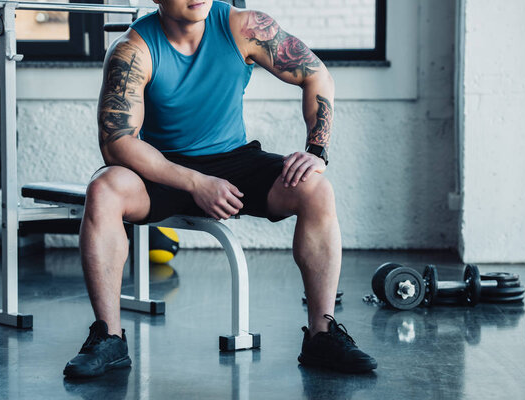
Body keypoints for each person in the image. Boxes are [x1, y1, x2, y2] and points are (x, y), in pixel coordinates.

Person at [63, 0, 377, 378]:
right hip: (163, 168)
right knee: (103, 188)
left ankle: (322, 335)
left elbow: (317, 75)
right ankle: (109, 338)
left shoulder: (244, 27)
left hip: (235, 161)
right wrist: (195, 182)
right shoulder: (134, 49)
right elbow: (117, 142)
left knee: (316, 188)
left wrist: (317, 151)